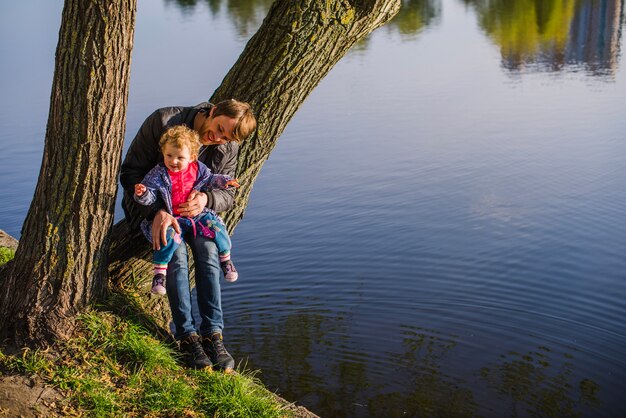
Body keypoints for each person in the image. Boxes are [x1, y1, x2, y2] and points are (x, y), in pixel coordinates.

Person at [120, 99, 256, 371]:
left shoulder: (228, 145)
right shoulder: (163, 122)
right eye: (218, 128)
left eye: (225, 137)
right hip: (156, 210)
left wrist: (206, 199)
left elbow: (226, 192)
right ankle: (186, 337)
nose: (217, 138)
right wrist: (157, 212)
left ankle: (213, 334)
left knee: (208, 253)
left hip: (196, 215)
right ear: (213, 110)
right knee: (177, 257)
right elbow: (130, 173)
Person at [133, 125, 241, 297]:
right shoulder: (158, 174)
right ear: (163, 152)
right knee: (166, 237)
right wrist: (143, 193)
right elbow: (150, 196)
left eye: (180, 157)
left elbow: (211, 180)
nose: (173, 161)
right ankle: (159, 274)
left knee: (217, 228)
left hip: (196, 216)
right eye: (169, 155)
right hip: (173, 217)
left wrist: (224, 182)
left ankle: (226, 260)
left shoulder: (198, 169)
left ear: (192, 157)